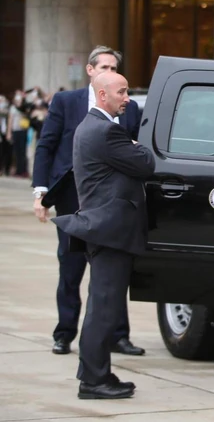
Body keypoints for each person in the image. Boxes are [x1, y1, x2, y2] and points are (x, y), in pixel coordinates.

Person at [32, 47, 144, 357]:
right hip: (72, 198)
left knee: (111, 271)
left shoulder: (129, 107)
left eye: (114, 66)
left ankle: (118, 336)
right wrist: (40, 191)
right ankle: (64, 332)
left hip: (110, 203)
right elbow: (47, 145)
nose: (109, 70)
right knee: (71, 268)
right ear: (90, 70)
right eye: (104, 66)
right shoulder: (67, 102)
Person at [52, 71, 155, 400]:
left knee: (102, 305)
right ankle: (94, 381)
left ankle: (95, 372)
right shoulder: (106, 131)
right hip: (111, 231)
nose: (128, 98)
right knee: (105, 308)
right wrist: (138, 147)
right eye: (122, 92)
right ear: (102, 95)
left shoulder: (91, 127)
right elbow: (145, 165)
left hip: (104, 229)